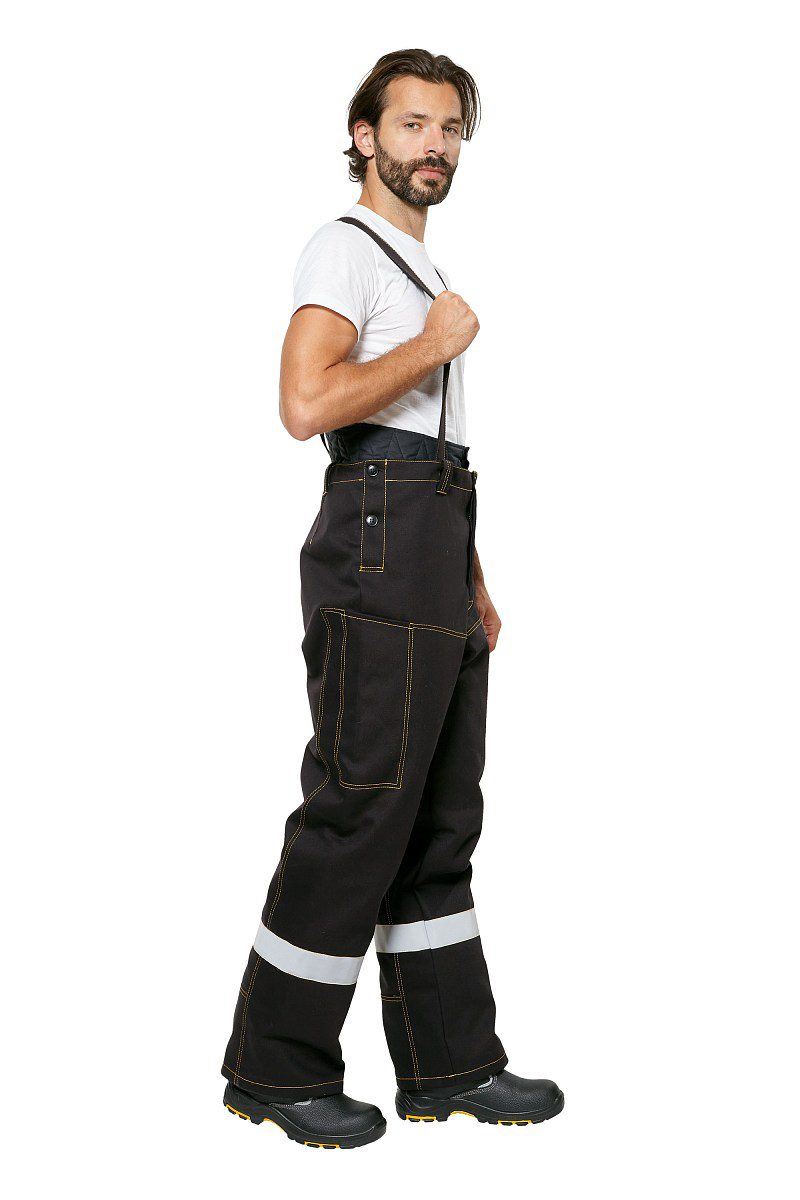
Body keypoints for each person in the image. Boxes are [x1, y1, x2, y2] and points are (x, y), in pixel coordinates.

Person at [221, 48, 564, 1150]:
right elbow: (305, 405)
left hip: (431, 543)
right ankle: (274, 1070)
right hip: (377, 546)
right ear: (365, 136)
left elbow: (423, 441)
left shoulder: (418, 265)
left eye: (450, 128)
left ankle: (450, 1064)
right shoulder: (346, 247)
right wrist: (433, 344)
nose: (435, 146)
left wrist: (470, 576)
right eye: (412, 124)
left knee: (439, 817)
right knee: (362, 803)